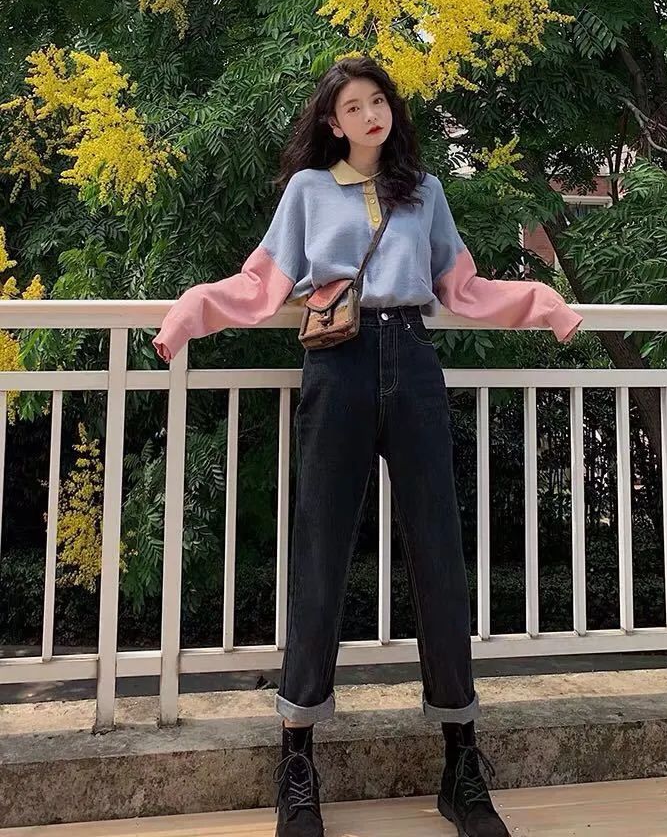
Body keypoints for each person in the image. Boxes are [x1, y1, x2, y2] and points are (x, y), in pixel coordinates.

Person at [152, 55, 583, 837]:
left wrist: (542, 303)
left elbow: (463, 289)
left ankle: (461, 762)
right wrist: (190, 313)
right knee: (319, 554)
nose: (369, 114)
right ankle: (296, 760)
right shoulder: (307, 191)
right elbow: (259, 284)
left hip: (412, 362)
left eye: (377, 100)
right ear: (332, 121)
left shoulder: (425, 192)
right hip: (338, 367)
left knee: (439, 555)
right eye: (353, 106)